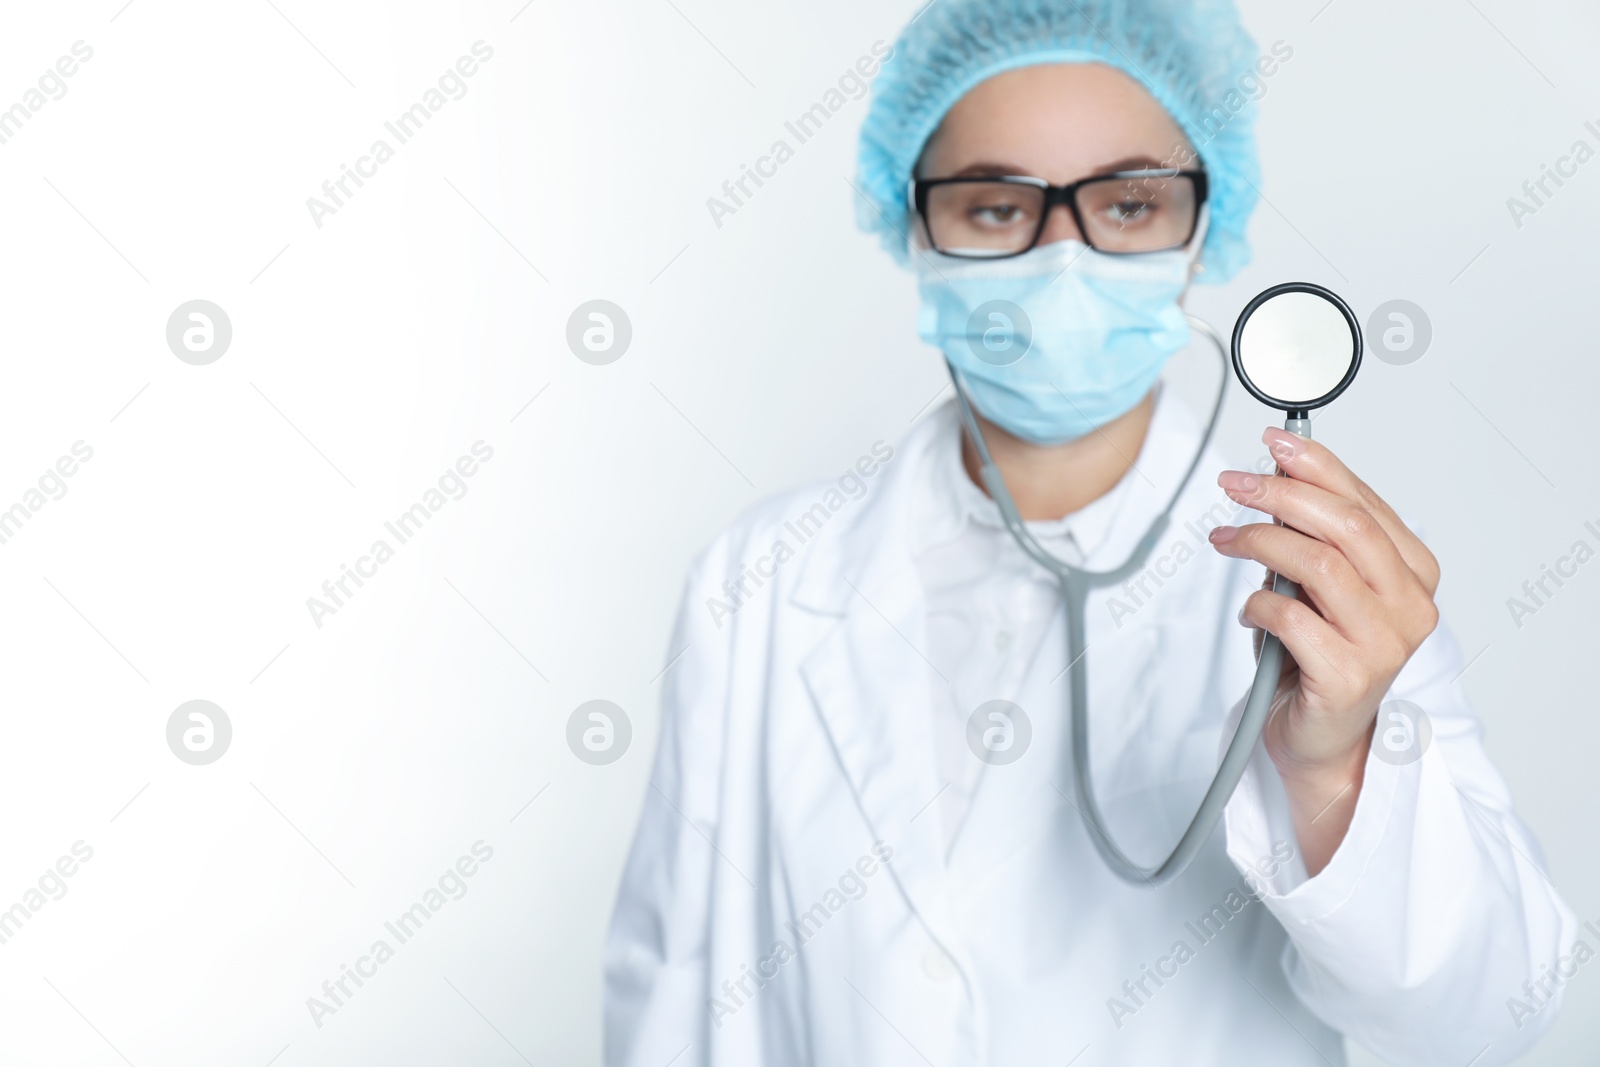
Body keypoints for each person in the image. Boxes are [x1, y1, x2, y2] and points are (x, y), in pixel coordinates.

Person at [604, 1, 1577, 1063]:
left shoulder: (1329, 580)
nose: (1062, 257)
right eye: (993, 207)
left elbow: (1492, 1014)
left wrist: (1335, 771)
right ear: (911, 223)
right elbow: (672, 994)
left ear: (1202, 227)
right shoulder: (757, 581)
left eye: (1125, 203)